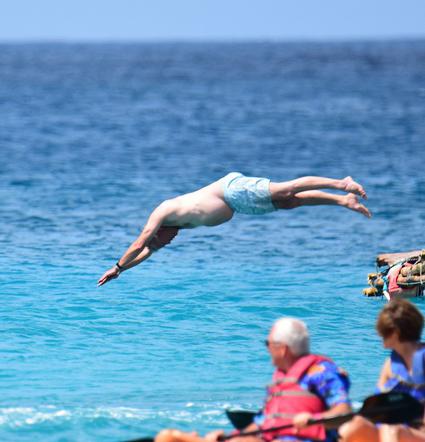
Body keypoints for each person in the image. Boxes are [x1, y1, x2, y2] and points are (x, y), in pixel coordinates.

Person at [98, 173, 370, 286]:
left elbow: (140, 243)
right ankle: (342, 200)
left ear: (160, 230)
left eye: (163, 240)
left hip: (232, 190)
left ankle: (341, 184)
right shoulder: (176, 226)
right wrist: (123, 272)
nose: (167, 242)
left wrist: (117, 266)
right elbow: (148, 252)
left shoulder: (164, 212)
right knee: (290, 203)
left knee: (285, 189)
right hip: (240, 205)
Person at [154, 317, 351, 442]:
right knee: (169, 437)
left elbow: (345, 412)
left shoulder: (321, 372)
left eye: (268, 344)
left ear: (282, 349)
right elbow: (263, 422)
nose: (267, 349)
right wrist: (229, 436)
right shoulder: (281, 378)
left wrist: (314, 420)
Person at [339, 299, 425, 442]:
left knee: (392, 430)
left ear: (395, 333)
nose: (379, 335)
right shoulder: (390, 364)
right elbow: (379, 404)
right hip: (392, 429)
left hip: (417, 431)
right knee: (353, 426)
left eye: (383, 331)